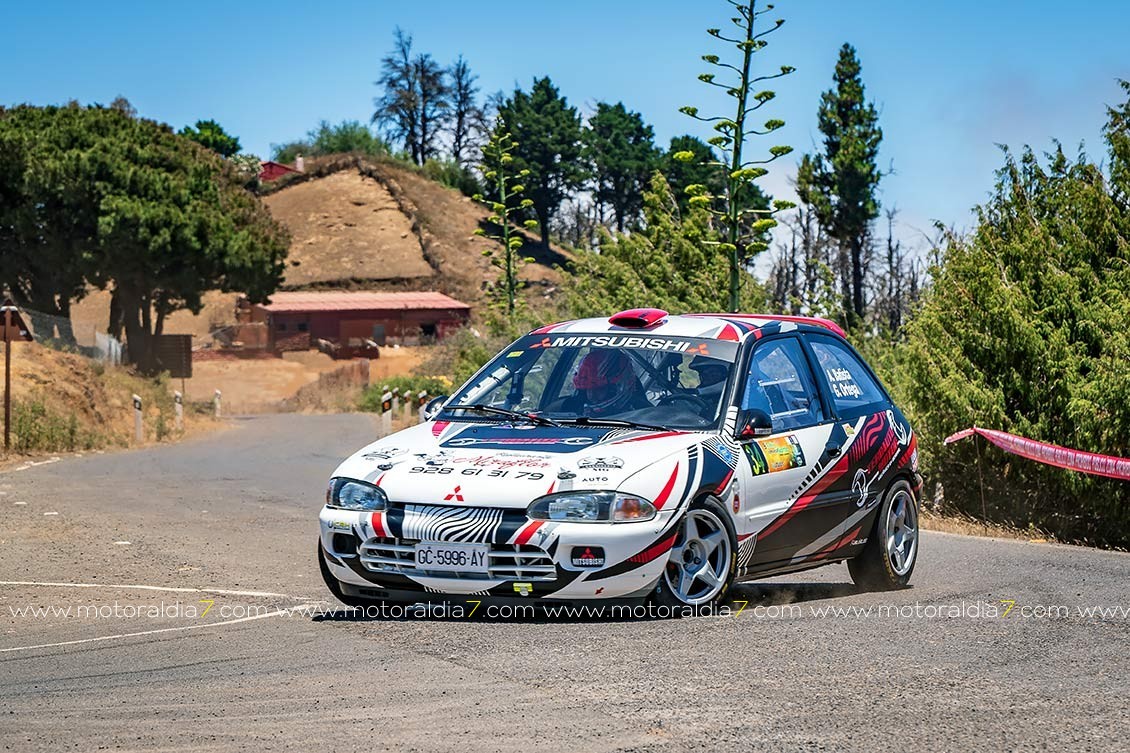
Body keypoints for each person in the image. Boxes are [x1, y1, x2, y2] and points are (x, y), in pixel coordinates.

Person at [569, 349, 648, 416]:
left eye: (598, 389)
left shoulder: (644, 416)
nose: (591, 396)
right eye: (586, 389)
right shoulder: (571, 408)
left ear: (619, 386)